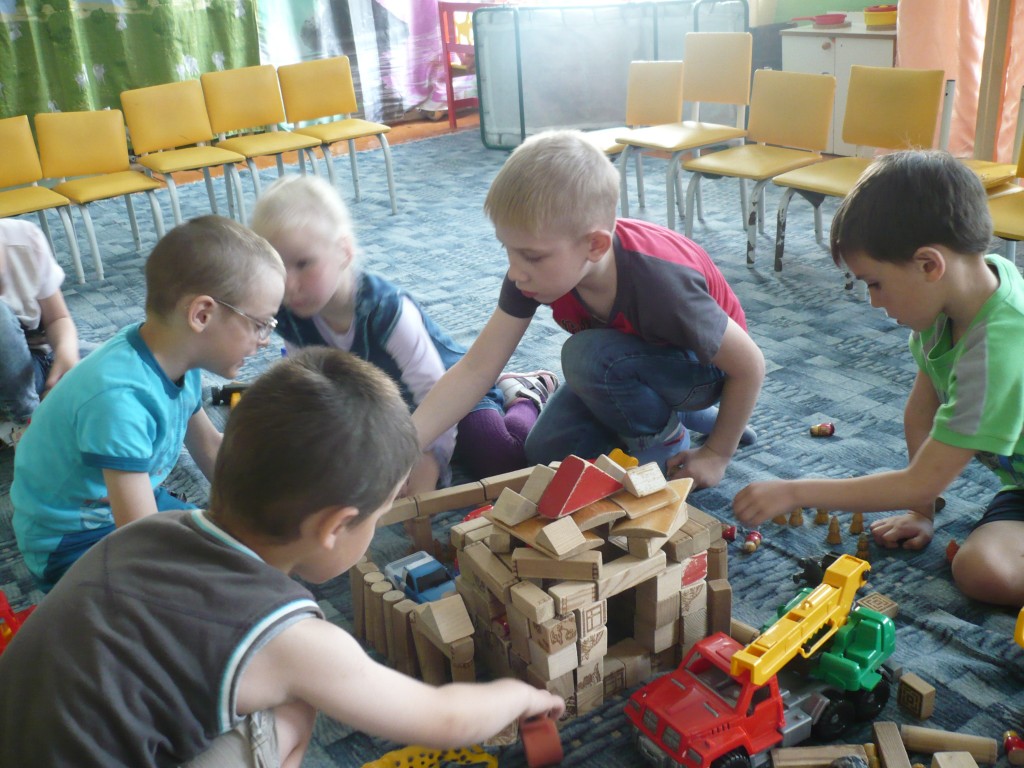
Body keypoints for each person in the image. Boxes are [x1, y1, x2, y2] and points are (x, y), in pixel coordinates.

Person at [0, 347, 565, 767]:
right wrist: (519, 695)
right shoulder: (295, 641)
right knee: (293, 710)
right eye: (376, 516)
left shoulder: (151, 529)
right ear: (334, 527)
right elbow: (443, 719)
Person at [733, 149, 1024, 607]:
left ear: (929, 265)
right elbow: (920, 415)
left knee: (982, 574)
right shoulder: (956, 298)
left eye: (874, 283)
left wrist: (795, 491)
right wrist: (920, 512)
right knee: (980, 567)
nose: (873, 301)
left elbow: (922, 480)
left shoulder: (996, 352)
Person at [410, 130, 764, 488]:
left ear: (594, 246)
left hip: (705, 370)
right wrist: (405, 447)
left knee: (587, 356)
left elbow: (749, 365)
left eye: (531, 256)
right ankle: (680, 414)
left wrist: (717, 453)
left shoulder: (662, 283)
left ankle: (667, 436)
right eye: (508, 249)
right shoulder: (533, 273)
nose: (515, 271)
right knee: (545, 454)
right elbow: (476, 368)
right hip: (628, 363)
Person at [10, 215, 285, 592]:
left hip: (127, 502)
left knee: (235, 550)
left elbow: (208, 446)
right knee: (201, 588)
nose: (265, 340)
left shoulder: (178, 358)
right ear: (202, 315)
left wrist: (260, 509)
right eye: (261, 324)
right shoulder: (120, 400)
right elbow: (141, 539)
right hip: (71, 542)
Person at [248, 175, 557, 494]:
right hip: (389, 410)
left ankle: (524, 393)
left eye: (303, 264)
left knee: (501, 459)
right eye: (279, 267)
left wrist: (425, 468)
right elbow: (318, 393)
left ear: (344, 252)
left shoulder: (386, 310)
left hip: (452, 392)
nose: (290, 284)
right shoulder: (291, 312)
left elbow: (434, 394)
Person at [0, 218, 81, 448]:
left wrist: (66, 354)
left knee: (126, 363)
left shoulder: (23, 238)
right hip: (10, 392)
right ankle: (26, 421)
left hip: (42, 359)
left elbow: (58, 318)